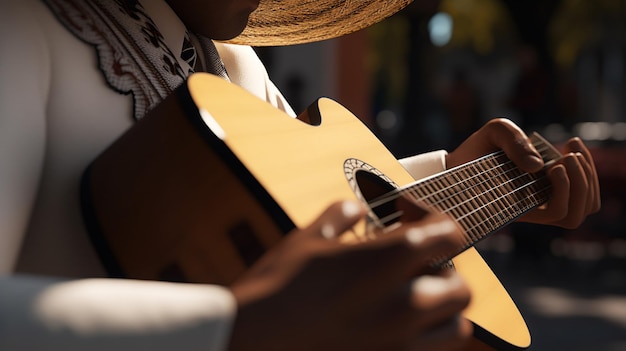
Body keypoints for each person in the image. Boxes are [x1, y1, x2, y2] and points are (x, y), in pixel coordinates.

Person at [0, 0, 600, 350]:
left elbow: (313, 220)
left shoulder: (234, 62)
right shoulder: (22, 24)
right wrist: (228, 330)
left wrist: (456, 180)